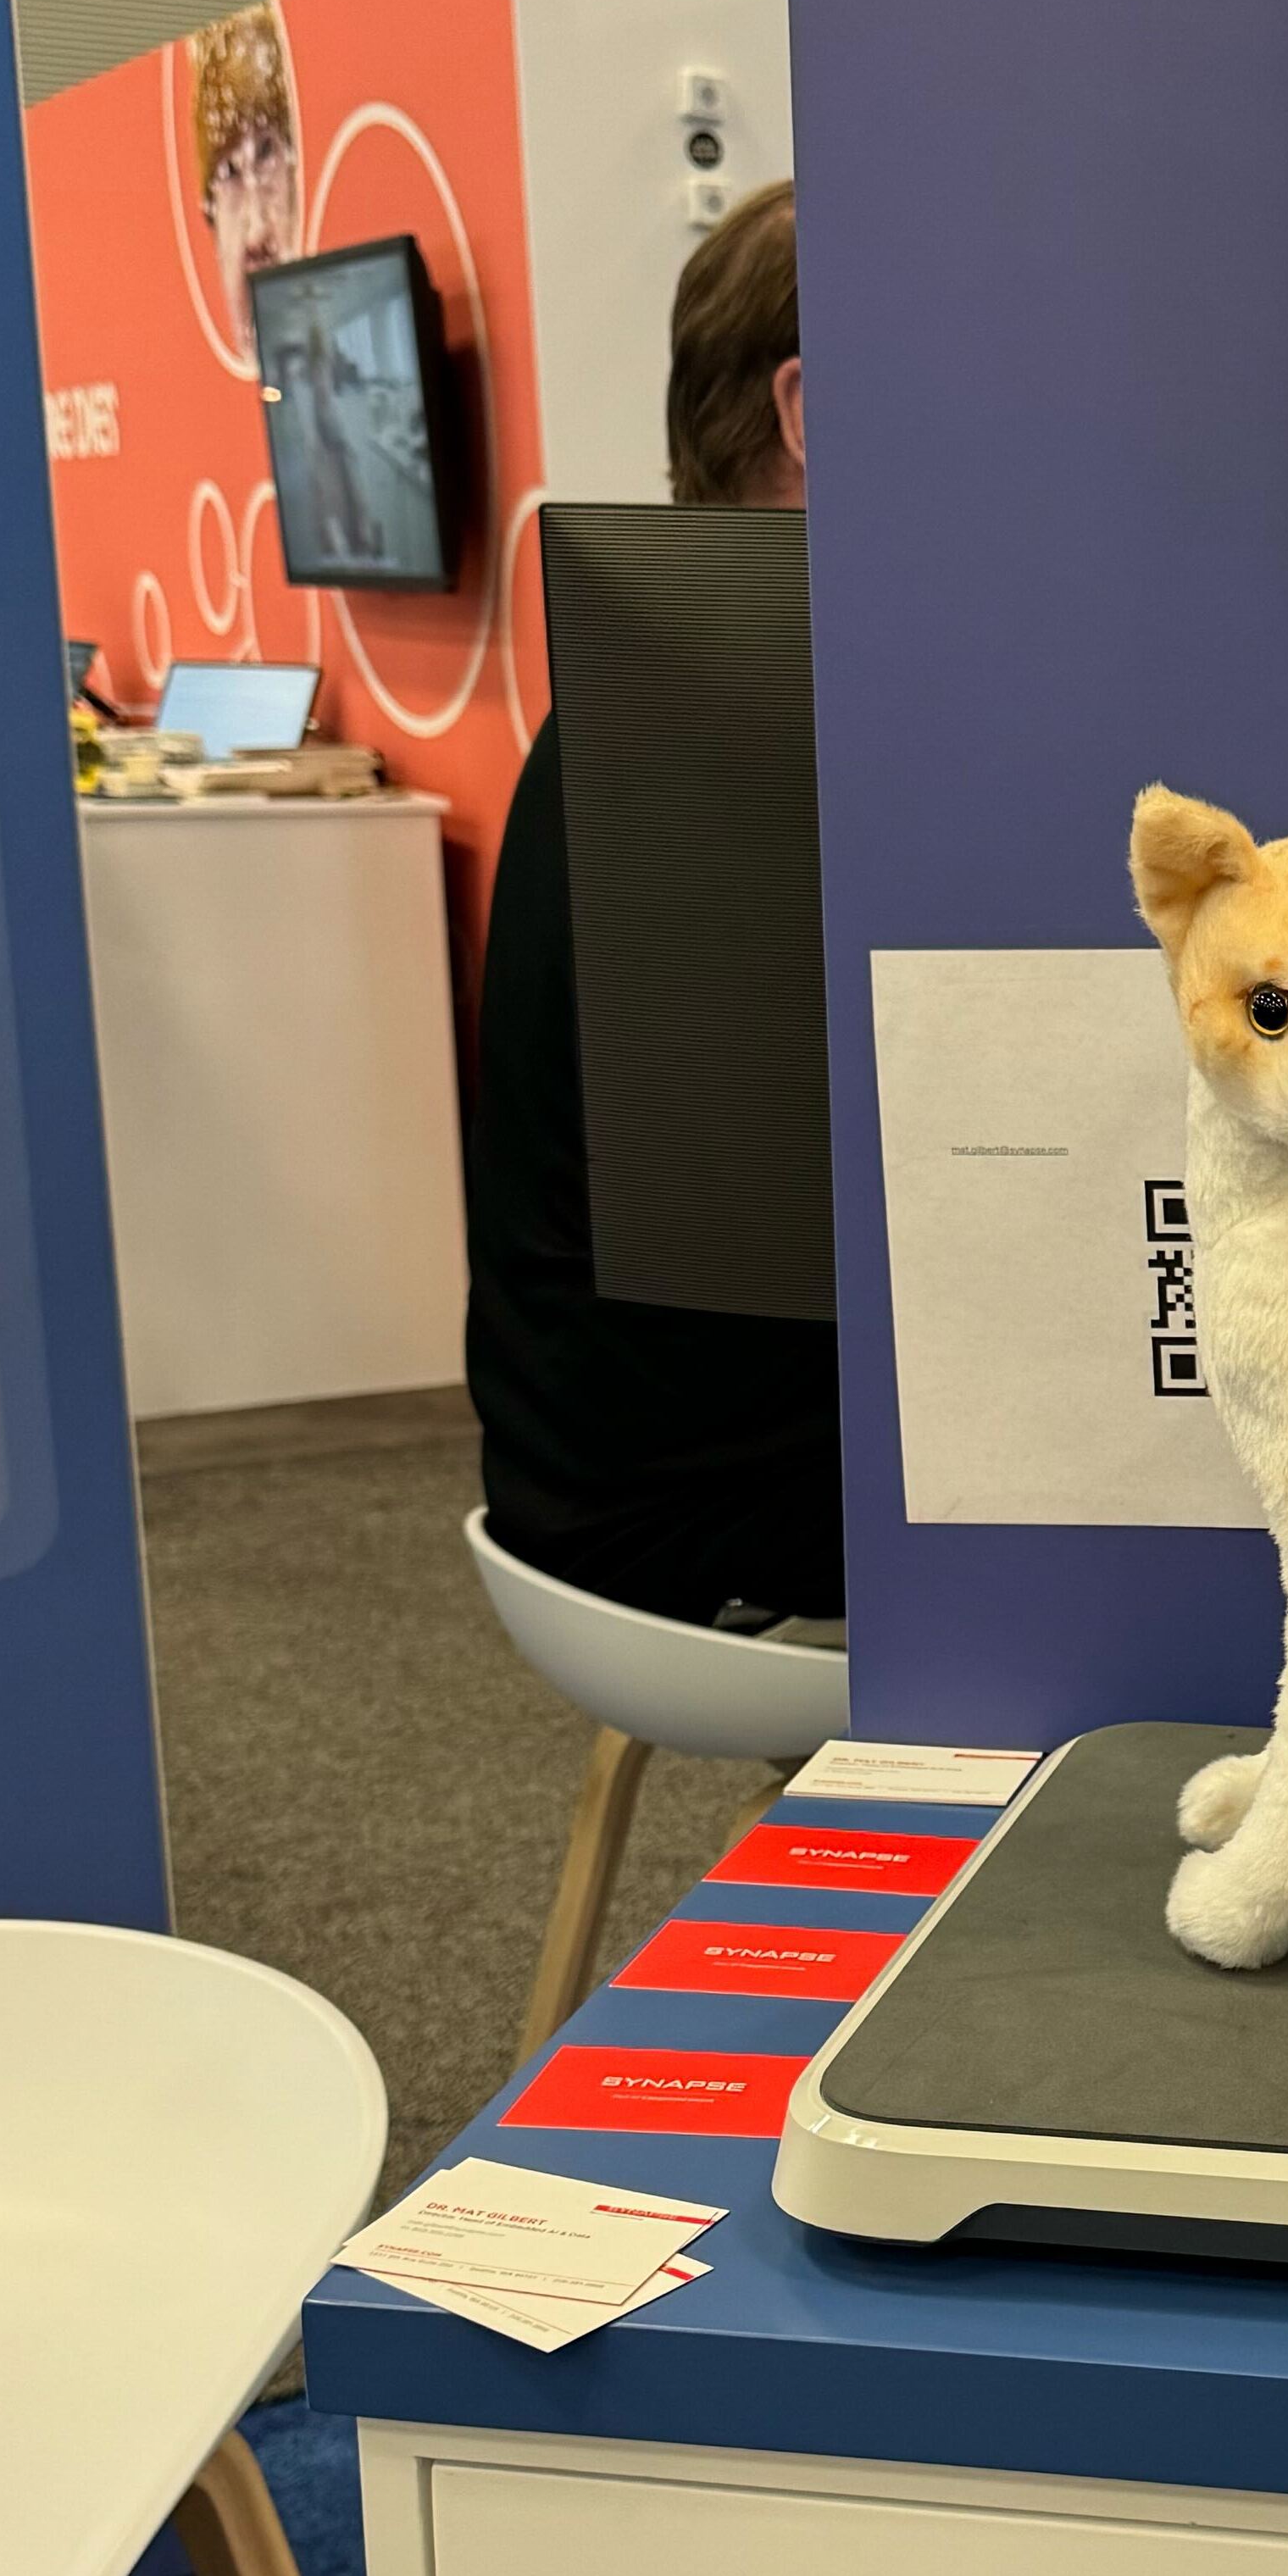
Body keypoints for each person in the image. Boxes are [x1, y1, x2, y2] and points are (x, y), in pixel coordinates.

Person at [464, 182, 841, 1626]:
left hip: (602, 1475)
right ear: (807, 411)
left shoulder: (658, 700)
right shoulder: (775, 727)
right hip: (709, 1516)